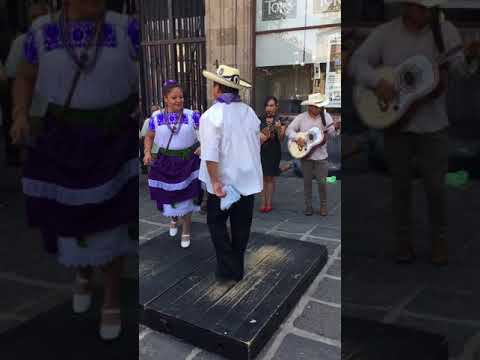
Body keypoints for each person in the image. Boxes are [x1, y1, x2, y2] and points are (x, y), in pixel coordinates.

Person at [10, 0, 140, 340]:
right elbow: (24, 74)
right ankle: (82, 272)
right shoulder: (41, 32)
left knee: (112, 222)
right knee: (71, 218)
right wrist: (20, 113)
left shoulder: (126, 28)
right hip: (63, 141)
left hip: (112, 141)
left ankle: (111, 297)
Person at [348, 0, 480, 265]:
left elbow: (459, 71)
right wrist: (378, 82)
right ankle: (403, 243)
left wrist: (469, 57)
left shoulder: (446, 32)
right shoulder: (386, 33)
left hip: (434, 124)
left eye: (429, 8)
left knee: (435, 187)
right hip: (397, 122)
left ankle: (438, 241)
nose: (425, 12)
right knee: (400, 188)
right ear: (407, 6)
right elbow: (357, 63)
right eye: (420, 7)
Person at [199, 65, 264, 282]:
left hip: (224, 183)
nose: (212, 88)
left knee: (216, 224)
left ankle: (229, 266)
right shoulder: (250, 112)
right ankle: (234, 268)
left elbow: (210, 154)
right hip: (247, 180)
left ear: (218, 88)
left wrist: (215, 181)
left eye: (214, 85)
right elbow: (256, 144)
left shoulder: (211, 115)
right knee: (241, 228)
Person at [143, 80, 202, 248]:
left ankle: (186, 229)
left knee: (188, 197)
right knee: (169, 196)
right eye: (174, 97)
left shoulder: (192, 115)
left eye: (181, 97)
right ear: (165, 99)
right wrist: (147, 153)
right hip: (165, 163)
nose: (179, 100)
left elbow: (204, 135)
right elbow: (149, 136)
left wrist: (202, 146)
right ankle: (173, 217)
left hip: (187, 162)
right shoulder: (156, 117)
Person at [3, 3, 49, 166]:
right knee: (29, 151)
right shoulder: (21, 41)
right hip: (31, 106)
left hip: (52, 107)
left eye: (40, 16)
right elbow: (12, 75)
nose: (37, 21)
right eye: (34, 17)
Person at [286, 93, 340, 217]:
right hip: (306, 156)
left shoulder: (326, 117)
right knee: (307, 183)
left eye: (319, 106)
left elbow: (332, 135)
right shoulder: (301, 117)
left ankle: (323, 206)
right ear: (310, 106)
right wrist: (297, 138)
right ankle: (308, 207)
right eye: (316, 106)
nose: (318, 108)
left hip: (322, 156)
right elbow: (289, 130)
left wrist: (335, 128)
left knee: (322, 182)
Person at [259, 96, 286, 213]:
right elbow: (258, 137)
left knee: (269, 177)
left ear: (276, 106)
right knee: (262, 177)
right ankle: (262, 202)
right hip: (261, 151)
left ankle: (269, 203)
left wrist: (279, 129)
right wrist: (267, 130)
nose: (269, 108)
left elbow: (281, 139)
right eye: (267, 105)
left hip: (273, 151)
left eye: (272, 105)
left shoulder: (280, 119)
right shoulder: (260, 119)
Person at [140, 104, 160, 173]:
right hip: (154, 151)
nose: (154, 112)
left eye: (155, 110)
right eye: (153, 111)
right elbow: (143, 136)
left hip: (158, 151)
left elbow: (143, 136)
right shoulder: (148, 121)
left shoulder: (148, 121)